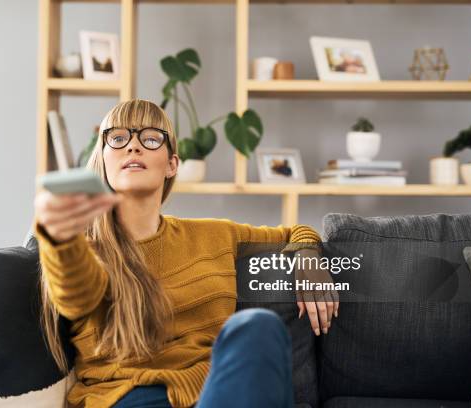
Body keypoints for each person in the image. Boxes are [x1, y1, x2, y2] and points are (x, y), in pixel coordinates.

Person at [32, 99, 339, 408]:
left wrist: (307, 255)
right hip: (128, 399)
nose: (133, 146)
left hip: (214, 395)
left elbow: (294, 232)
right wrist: (59, 239)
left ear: (172, 164)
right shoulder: (84, 248)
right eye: (118, 137)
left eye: (150, 138)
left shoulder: (215, 235)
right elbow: (76, 295)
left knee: (259, 326)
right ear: (103, 159)